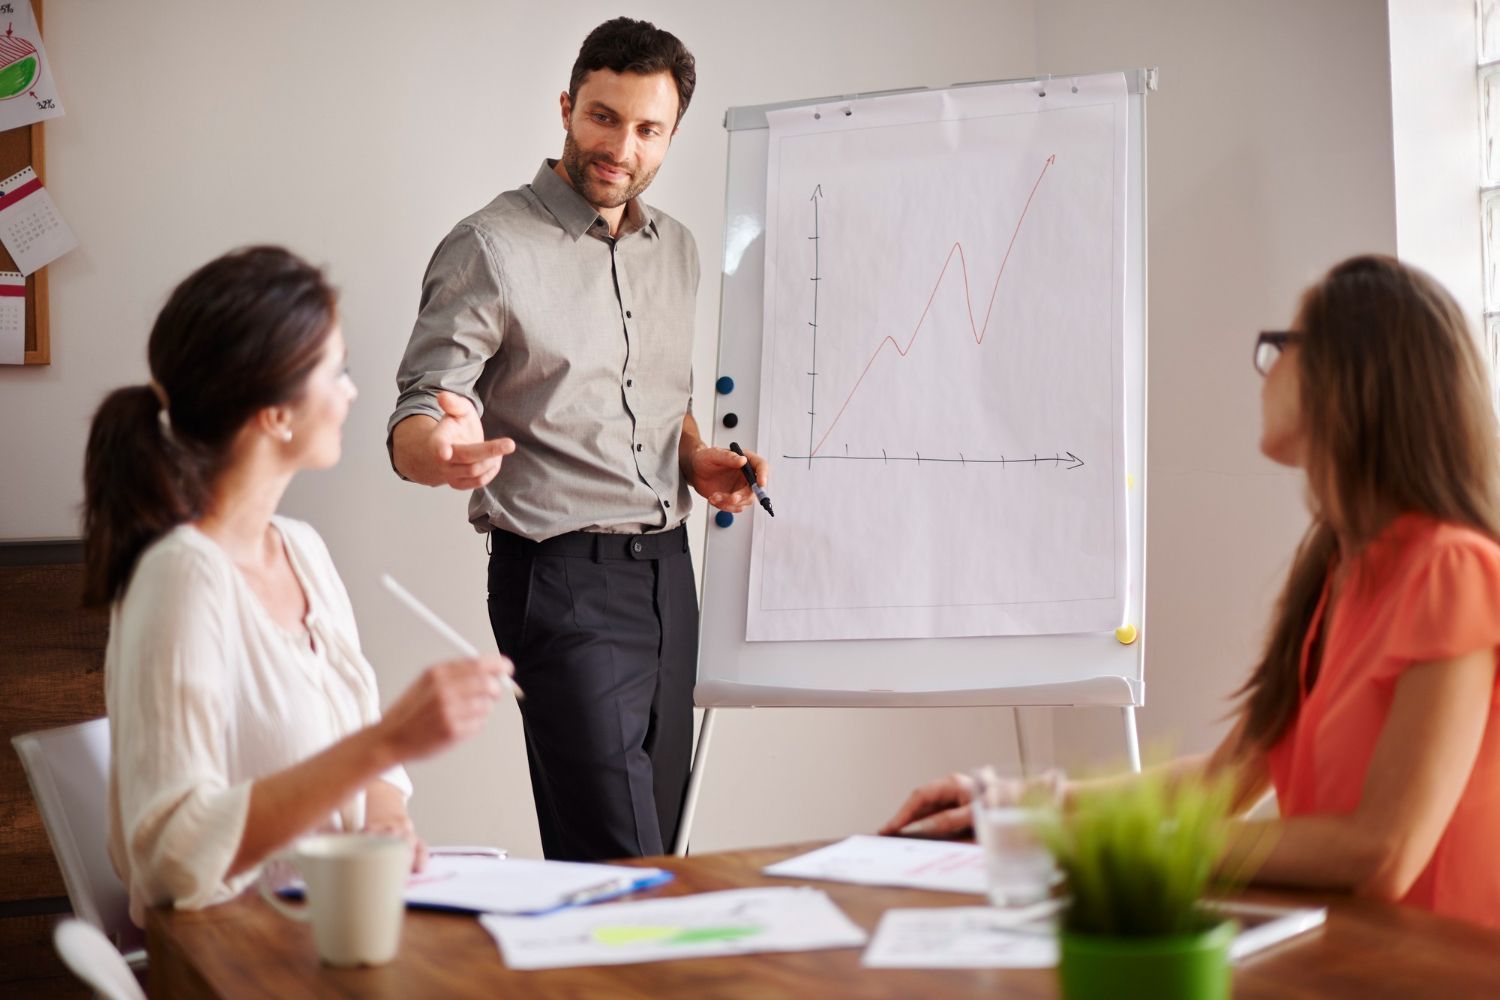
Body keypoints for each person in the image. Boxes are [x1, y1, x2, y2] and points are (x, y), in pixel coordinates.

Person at [882, 255, 1500, 929]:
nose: (1266, 371)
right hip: (1346, 963)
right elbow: (1228, 778)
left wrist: (1124, 846)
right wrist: (1017, 802)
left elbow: (1381, 851)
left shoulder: (1453, 570)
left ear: (1352, 377)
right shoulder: (1336, 572)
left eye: (1283, 345)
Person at [387, 18, 767, 861]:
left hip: (671, 577)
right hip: (559, 582)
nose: (620, 147)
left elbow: (665, 405)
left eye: (646, 129)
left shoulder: (679, 251)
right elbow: (421, 405)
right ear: (567, 106)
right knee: (619, 860)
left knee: (658, 852)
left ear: (670, 136)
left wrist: (697, 458)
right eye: (603, 117)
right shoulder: (489, 244)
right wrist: (439, 452)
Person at [83, 246, 512, 926]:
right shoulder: (181, 577)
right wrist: (389, 741)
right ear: (275, 414)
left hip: (331, 938)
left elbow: (368, 774)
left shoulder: (303, 551)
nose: (351, 390)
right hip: (240, 964)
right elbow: (168, 858)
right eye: (335, 371)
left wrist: (386, 821)